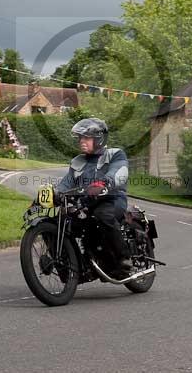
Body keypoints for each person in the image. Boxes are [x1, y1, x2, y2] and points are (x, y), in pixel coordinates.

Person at [55, 117, 132, 275]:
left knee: (102, 215)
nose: (82, 141)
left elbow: (119, 172)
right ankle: (68, 263)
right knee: (60, 221)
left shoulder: (115, 154)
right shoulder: (77, 162)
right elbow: (67, 183)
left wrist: (105, 183)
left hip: (111, 199)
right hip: (87, 204)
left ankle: (123, 258)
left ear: (99, 139)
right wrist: (55, 193)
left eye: (87, 138)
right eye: (80, 138)